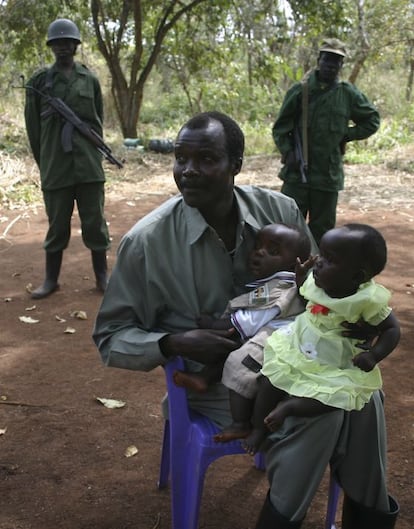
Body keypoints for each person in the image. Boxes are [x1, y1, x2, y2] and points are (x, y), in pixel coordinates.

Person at [93, 111, 399, 528]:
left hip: (299, 355)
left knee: (365, 396)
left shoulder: (280, 209)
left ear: (235, 164)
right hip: (220, 382)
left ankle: (368, 515)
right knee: (321, 414)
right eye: (181, 158)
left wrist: (355, 317)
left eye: (205, 159)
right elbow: (111, 337)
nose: (188, 171)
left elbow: (316, 286)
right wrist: (175, 343)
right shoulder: (148, 243)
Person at [241, 223, 401, 456]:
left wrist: (374, 355)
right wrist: (299, 279)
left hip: (333, 362)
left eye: (330, 259)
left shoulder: (368, 300)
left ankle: (290, 407)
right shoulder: (317, 280)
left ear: (357, 276)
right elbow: (308, 299)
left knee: (334, 397)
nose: (318, 261)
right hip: (297, 348)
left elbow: (392, 330)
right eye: (321, 254)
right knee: (268, 381)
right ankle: (258, 429)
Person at [173, 223, 314, 443]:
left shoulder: (284, 290)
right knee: (233, 347)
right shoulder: (273, 284)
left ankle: (241, 423)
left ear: (296, 264)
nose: (259, 252)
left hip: (279, 343)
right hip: (267, 335)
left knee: (238, 363)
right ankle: (205, 378)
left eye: (273, 251)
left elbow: (247, 323)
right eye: (258, 246)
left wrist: (212, 323)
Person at [24, 18, 110, 299]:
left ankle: (102, 278)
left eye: (67, 42)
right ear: (51, 47)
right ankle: (51, 281)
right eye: (57, 43)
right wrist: (46, 162)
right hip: (56, 168)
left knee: (95, 222)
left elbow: (96, 122)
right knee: (57, 225)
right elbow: (34, 131)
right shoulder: (39, 83)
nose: (62, 47)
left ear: (75, 46)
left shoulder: (90, 79)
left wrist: (95, 153)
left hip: (88, 167)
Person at [272, 38, 380, 245]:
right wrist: (288, 151)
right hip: (297, 176)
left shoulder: (348, 94)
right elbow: (280, 127)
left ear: (341, 65)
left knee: (322, 232)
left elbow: (372, 119)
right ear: (319, 60)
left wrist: (345, 135)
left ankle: (315, 275)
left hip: (327, 176)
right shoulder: (300, 91)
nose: (331, 65)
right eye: (327, 59)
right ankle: (285, 274)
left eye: (336, 61)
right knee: (285, 227)